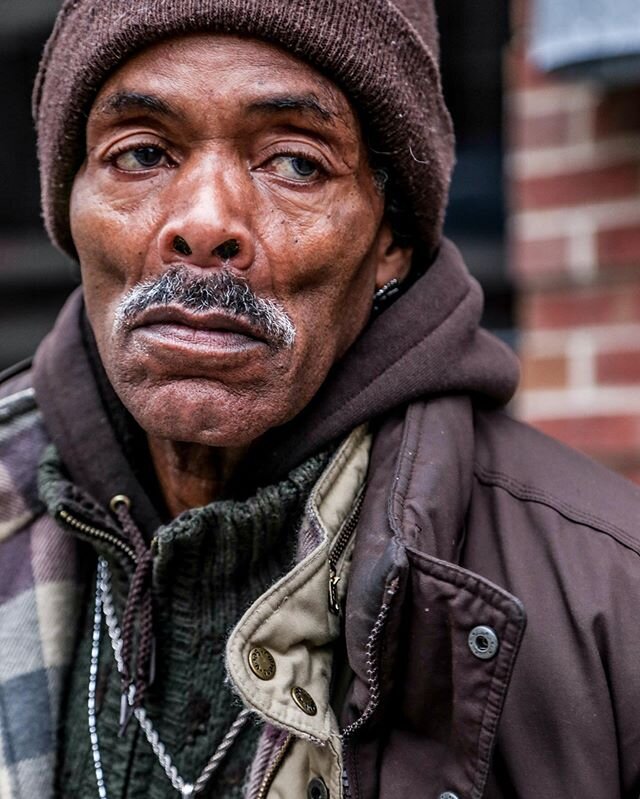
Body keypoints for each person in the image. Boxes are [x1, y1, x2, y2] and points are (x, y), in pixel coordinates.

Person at [1, 1, 640, 797]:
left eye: (296, 163)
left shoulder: (615, 604)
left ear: (391, 242)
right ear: (68, 206)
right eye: (139, 154)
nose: (204, 223)